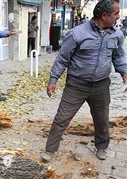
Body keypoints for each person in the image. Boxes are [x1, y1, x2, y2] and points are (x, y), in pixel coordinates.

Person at [40, 0, 127, 163]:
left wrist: (124, 72)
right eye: (116, 14)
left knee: (102, 119)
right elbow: (62, 58)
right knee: (62, 118)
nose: (118, 17)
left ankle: (101, 147)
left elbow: (118, 55)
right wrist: (53, 79)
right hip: (76, 85)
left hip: (101, 85)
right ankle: (50, 150)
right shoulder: (77, 33)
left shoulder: (117, 34)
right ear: (104, 15)